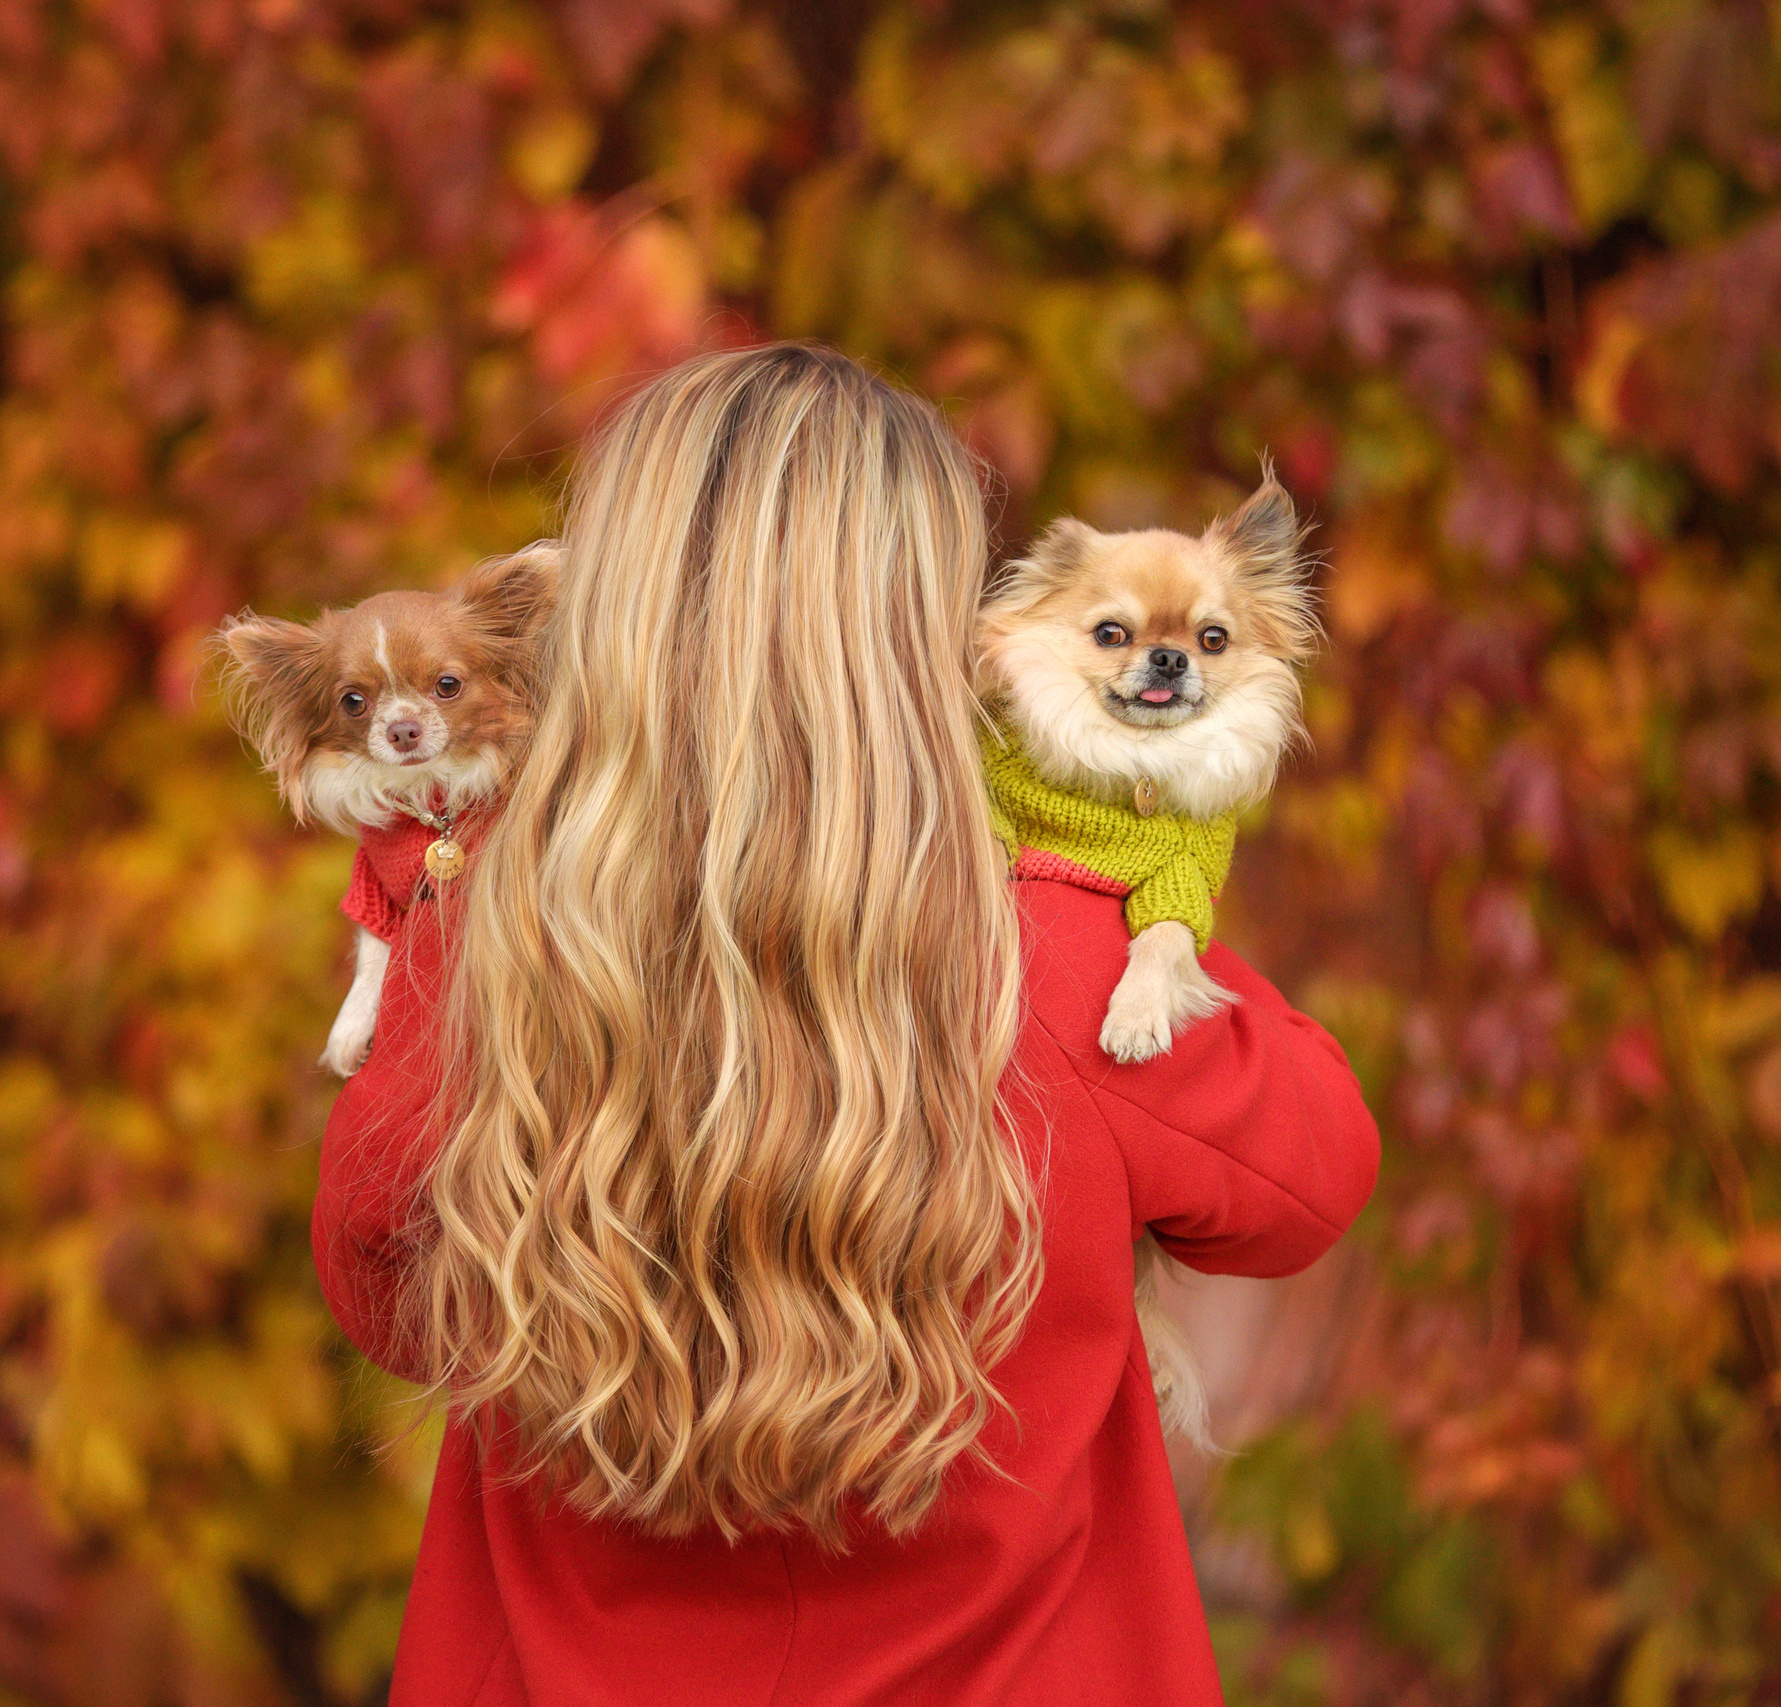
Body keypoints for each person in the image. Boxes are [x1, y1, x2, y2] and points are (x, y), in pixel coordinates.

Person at [313, 343, 1379, 1706]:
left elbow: (387, 1301)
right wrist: (1146, 864)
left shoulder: (481, 951)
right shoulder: (1065, 964)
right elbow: (1312, 1181)